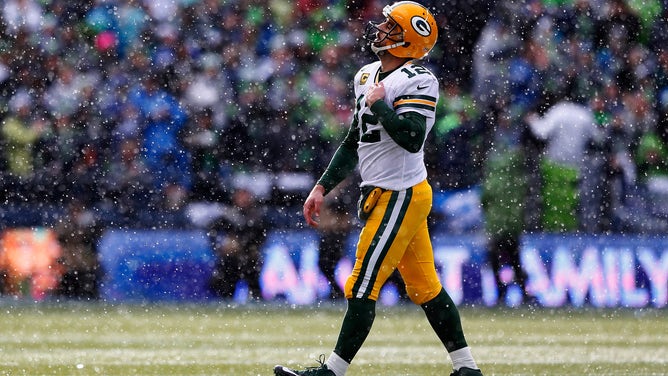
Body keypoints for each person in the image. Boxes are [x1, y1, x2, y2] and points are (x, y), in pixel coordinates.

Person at [274, 2, 483, 376]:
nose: (380, 28)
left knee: (361, 283)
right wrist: (322, 186)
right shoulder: (366, 75)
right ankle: (467, 369)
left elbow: (412, 138)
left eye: (391, 25)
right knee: (425, 288)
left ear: (409, 38)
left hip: (402, 194)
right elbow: (353, 141)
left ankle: (331, 372)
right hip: (382, 194)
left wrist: (382, 105)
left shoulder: (419, 79)